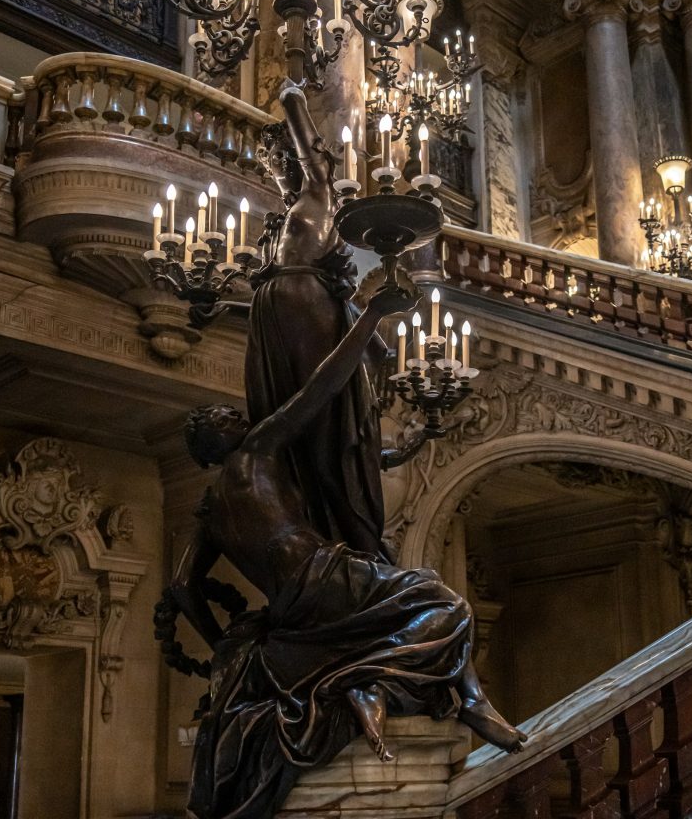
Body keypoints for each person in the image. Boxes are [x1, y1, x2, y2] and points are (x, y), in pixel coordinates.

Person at [170, 285, 526, 819]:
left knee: (409, 611)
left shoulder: (211, 505)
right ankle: (457, 698)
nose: (236, 415)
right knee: (443, 601)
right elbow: (317, 392)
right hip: (325, 576)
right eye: (225, 417)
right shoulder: (254, 454)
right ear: (220, 440)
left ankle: (370, 686)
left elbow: (182, 586)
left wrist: (222, 643)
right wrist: (371, 320)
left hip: (291, 608)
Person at [245, 84, 389, 560]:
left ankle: (361, 550)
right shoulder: (286, 215)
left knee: (322, 428)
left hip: (303, 309)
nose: (277, 173)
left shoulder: (318, 193)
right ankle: (324, 541)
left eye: (282, 161)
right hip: (276, 316)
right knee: (289, 440)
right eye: (270, 168)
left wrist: (293, 101)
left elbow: (317, 160)